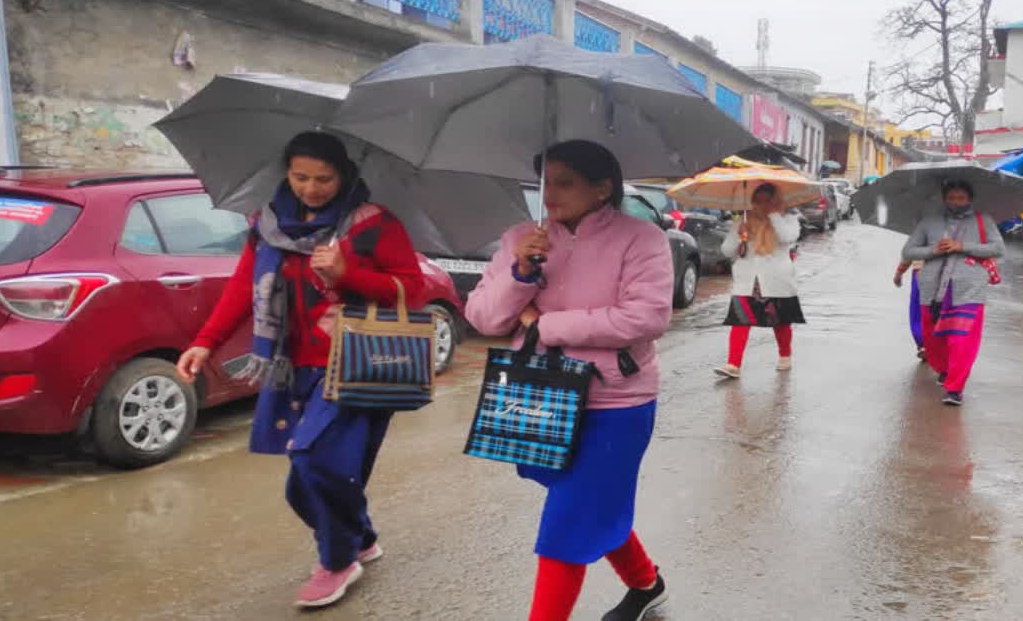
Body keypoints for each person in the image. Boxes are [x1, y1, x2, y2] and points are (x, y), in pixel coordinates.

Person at [175, 131, 423, 608]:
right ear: (286, 173)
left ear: (344, 175)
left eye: (324, 179)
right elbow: (243, 285)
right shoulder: (268, 224)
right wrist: (205, 343)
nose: (311, 188)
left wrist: (347, 274)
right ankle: (361, 536)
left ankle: (337, 559)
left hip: (357, 364)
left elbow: (411, 290)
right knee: (312, 471)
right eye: (301, 176)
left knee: (314, 462)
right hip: (293, 366)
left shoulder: (372, 224)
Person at [466, 140, 674, 621]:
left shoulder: (642, 239)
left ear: (602, 188)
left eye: (565, 183)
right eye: (545, 183)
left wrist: (546, 325)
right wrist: (520, 273)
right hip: (542, 391)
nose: (551, 195)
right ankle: (647, 584)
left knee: (568, 519)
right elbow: (482, 317)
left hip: (617, 402)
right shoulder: (523, 237)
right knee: (589, 504)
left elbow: (644, 318)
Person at [902, 179, 1004, 406]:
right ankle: (945, 369)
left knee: (963, 339)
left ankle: (955, 388)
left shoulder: (982, 220)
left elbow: (998, 248)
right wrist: (933, 249)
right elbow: (908, 250)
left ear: (969, 199)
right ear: (944, 198)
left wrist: (962, 246)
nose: (956, 202)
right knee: (935, 339)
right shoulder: (929, 222)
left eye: (961, 198)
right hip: (932, 289)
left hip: (969, 288)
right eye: (951, 198)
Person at [714, 183, 805, 379]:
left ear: (775, 201)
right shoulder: (743, 222)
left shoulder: (788, 220)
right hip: (748, 279)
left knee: (780, 322)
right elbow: (726, 251)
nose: (762, 205)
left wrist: (773, 216)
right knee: (740, 320)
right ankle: (733, 364)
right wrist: (739, 236)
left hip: (776, 279)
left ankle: (785, 355)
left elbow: (788, 238)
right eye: (758, 201)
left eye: (767, 201)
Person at [894, 259, 926, 361]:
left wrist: (899, 273)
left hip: (922, 271)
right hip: (943, 270)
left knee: (918, 311)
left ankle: (924, 345)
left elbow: (910, 251)